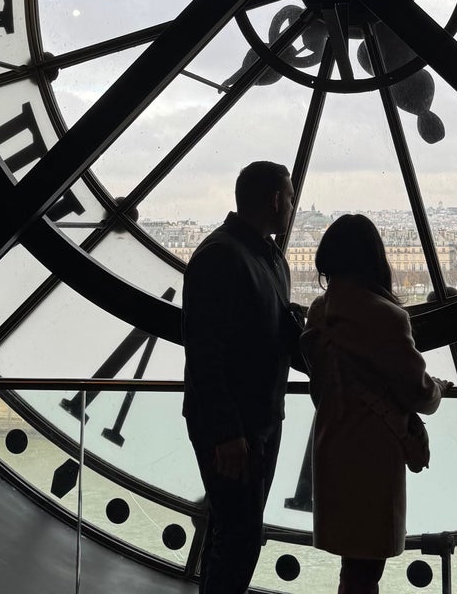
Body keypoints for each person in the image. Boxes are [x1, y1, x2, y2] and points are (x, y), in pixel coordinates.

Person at [302, 214, 451, 594]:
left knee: (354, 566)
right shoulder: (386, 316)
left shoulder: (320, 311)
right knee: (367, 564)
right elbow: (418, 393)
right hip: (373, 451)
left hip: (332, 442)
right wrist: (438, 390)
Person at [183, 161, 302, 594]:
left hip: (241, 426)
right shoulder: (263, 259)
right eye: (290, 198)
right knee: (239, 537)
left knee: (233, 534)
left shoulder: (223, 254)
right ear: (274, 200)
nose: (292, 206)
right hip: (251, 424)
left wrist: (224, 430)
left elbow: (205, 351)